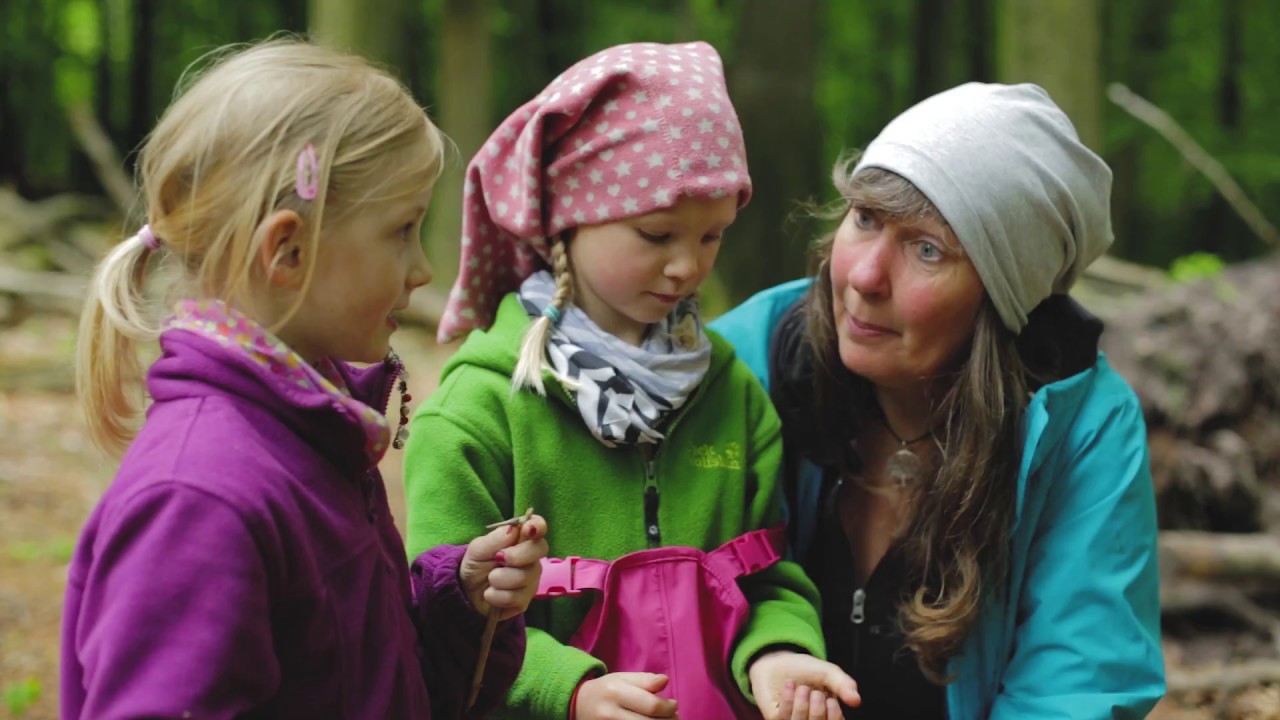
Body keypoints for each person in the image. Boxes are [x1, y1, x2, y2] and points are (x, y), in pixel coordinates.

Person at [62, 39, 547, 719]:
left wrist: (458, 606)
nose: (421, 270)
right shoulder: (197, 501)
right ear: (287, 252)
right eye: (401, 230)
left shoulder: (317, 437)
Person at [404, 42, 858, 720]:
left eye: (712, 237)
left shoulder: (732, 397)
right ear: (566, 221)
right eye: (656, 234)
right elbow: (442, 627)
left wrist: (777, 652)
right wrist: (570, 691)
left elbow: (766, 576)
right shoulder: (479, 412)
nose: (686, 268)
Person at [711, 82, 1165, 719]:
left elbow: (1076, 690)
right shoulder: (741, 366)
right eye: (865, 218)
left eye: (927, 250)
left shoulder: (1079, 429)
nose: (865, 277)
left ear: (1003, 296)